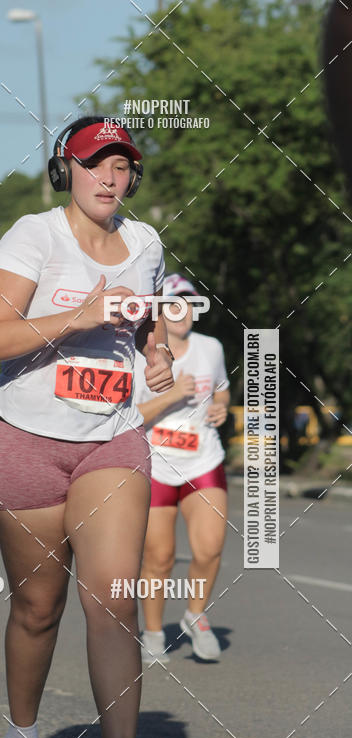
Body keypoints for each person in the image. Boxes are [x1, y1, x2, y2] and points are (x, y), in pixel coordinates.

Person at [0, 116, 174, 738]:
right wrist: (81, 314)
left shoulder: (144, 242)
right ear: (66, 170)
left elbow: (142, 322)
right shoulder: (35, 234)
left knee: (114, 598)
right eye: (96, 165)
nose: (112, 179)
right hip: (26, 441)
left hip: (111, 440)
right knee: (36, 609)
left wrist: (155, 353)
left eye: (123, 166)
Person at [135, 274, 230, 664]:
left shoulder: (210, 348)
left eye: (189, 303)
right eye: (173, 303)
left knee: (209, 548)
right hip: (154, 464)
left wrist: (221, 406)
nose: (183, 310)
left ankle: (195, 615)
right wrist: (174, 392)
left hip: (204, 460)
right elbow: (130, 416)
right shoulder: (140, 353)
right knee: (159, 558)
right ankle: (154, 634)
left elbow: (221, 389)